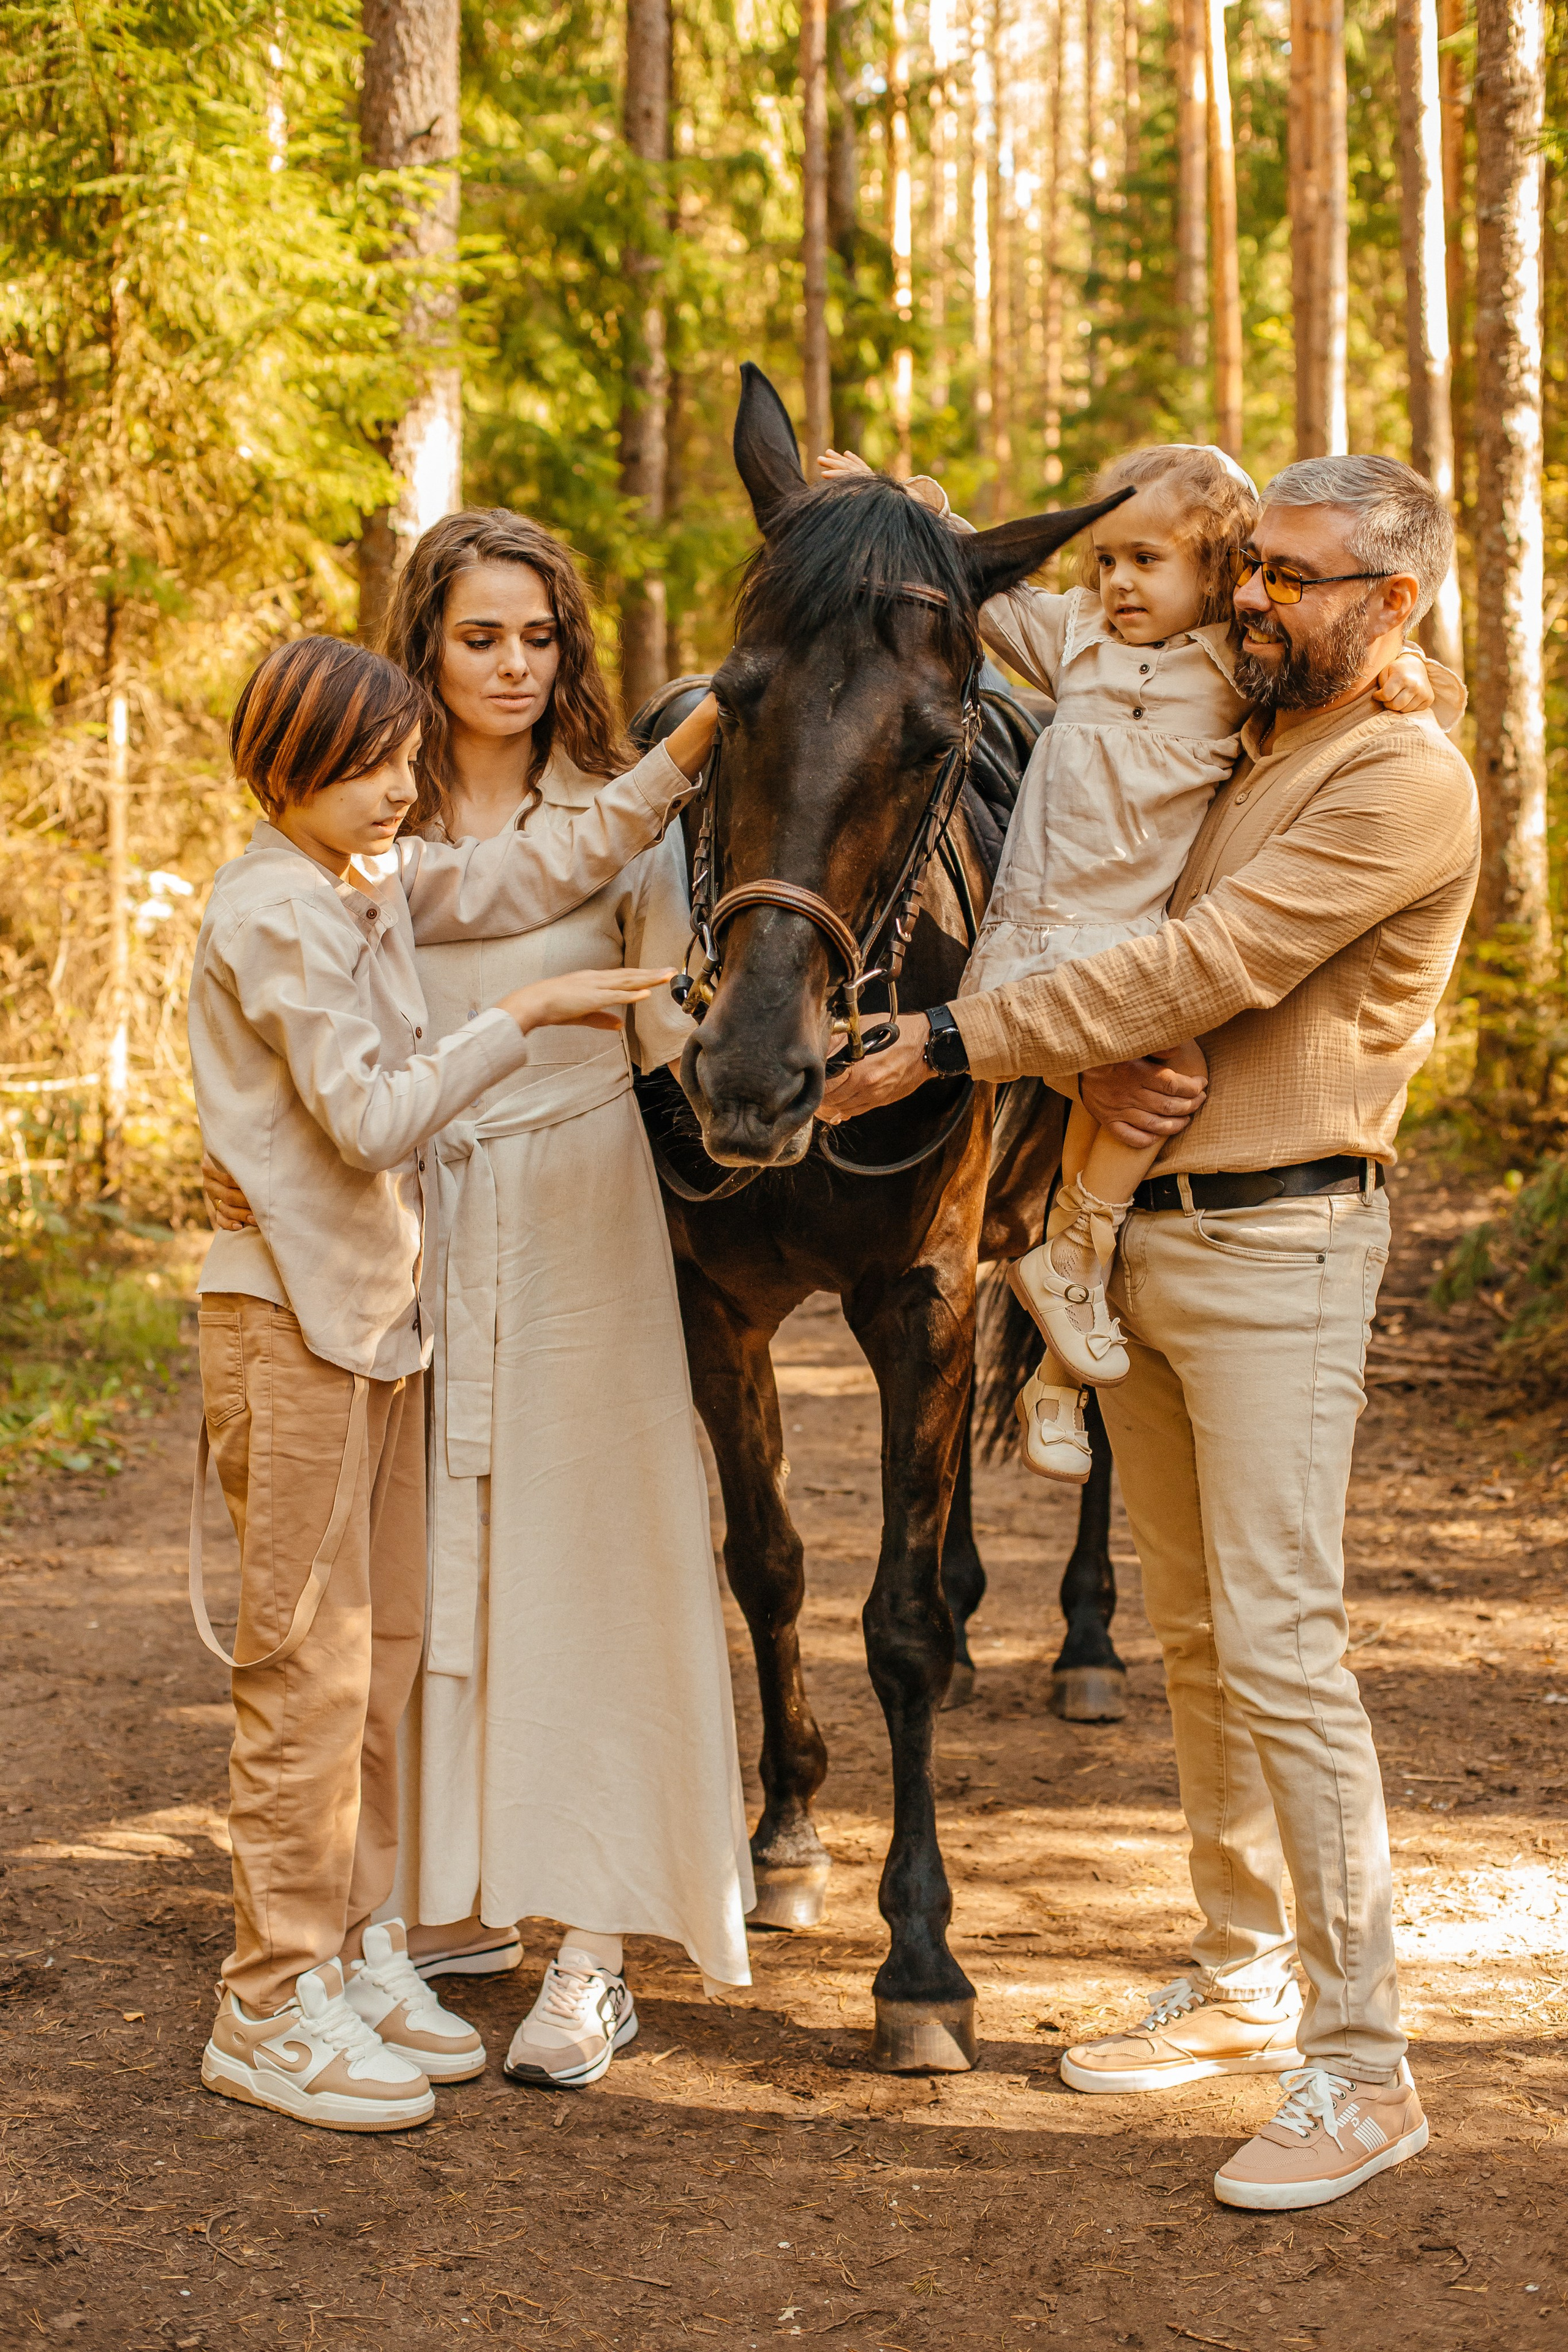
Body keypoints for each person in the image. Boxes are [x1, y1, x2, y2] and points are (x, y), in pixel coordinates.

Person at [818, 455, 1479, 2213]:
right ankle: (1245, 1967)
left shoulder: (1403, 781)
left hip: (1280, 1246)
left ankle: (1363, 2063)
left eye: (1298, 579)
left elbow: (1198, 970)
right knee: (1191, 1633)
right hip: (1154, 1241)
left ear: (1396, 604)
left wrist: (954, 1042)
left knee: (1281, 1645)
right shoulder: (1243, 737)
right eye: (1247, 567)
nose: (1254, 600)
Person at [207, 512, 756, 2091]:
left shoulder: (626, 817)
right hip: (412, 1228)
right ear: (420, 647)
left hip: (581, 1203)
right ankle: (414, 1906)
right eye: (477, 638)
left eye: (536, 638)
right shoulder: (366, 827)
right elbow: (319, 1049)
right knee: (407, 1592)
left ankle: (596, 1936)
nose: (512, 667)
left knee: (596, 1553)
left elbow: (685, 1043)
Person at [820, 443, 1444, 1484]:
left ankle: (1065, 1320)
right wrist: (901, 496)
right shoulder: (1074, 644)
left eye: (1145, 562)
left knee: (1153, 1087)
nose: (1115, 584)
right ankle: (1066, 1281)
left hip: (1127, 945)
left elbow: (1347, 673)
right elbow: (985, 581)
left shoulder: (1233, 674)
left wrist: (1415, 666)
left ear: (1212, 574)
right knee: (1129, 1097)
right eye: (1103, 560)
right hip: (1035, 931)